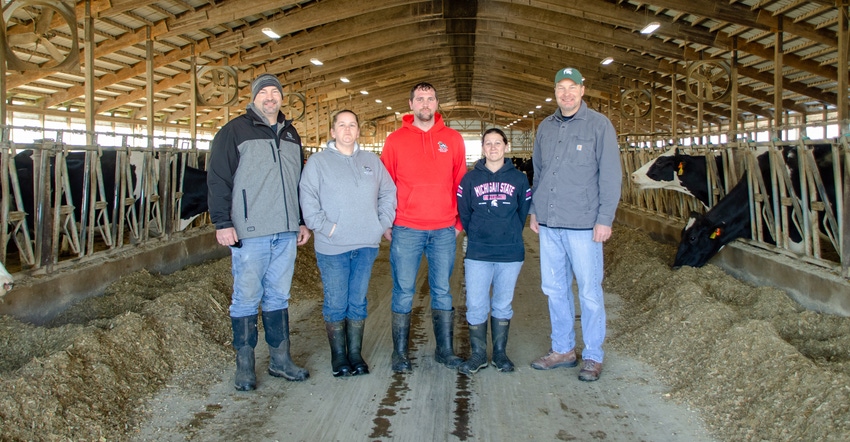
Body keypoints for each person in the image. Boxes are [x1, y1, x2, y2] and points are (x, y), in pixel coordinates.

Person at [207, 73, 311, 391]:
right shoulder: (234, 131)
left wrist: (302, 220)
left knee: (278, 296)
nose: (270, 97)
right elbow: (218, 178)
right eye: (263, 92)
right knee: (246, 298)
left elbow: (300, 183)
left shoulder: (292, 134)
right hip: (251, 231)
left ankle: (280, 362)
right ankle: (245, 367)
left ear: (282, 98)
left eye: (274, 92)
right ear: (254, 98)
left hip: (286, 231)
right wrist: (222, 223)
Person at [528, 67, 622, 382]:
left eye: (572, 87)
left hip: (584, 225)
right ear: (555, 92)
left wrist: (604, 219)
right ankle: (563, 350)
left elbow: (610, 176)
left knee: (589, 291)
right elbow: (538, 174)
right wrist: (534, 211)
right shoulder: (545, 127)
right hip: (550, 223)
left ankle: (593, 355)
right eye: (560, 88)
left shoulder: (599, 126)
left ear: (583, 90)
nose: (566, 93)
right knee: (554, 289)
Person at [299, 110, 397, 377]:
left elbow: (389, 191)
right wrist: (325, 227)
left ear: (357, 131)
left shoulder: (371, 161)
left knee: (357, 302)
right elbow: (308, 198)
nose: (346, 129)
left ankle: (355, 353)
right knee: (336, 302)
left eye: (352, 125)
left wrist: (382, 222)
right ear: (332, 131)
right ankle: (339, 356)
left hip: (365, 244)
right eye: (341, 125)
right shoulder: (318, 163)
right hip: (333, 247)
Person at [380, 82, 467, 373]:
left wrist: (458, 222)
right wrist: (387, 222)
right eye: (420, 99)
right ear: (411, 104)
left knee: (442, 291)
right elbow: (385, 185)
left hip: (444, 229)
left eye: (430, 99)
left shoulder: (453, 139)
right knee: (404, 290)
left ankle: (445, 350)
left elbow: (460, 183)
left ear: (437, 104)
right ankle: (400, 354)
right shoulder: (395, 141)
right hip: (406, 227)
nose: (425, 104)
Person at [456, 128, 531, 376]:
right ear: (483, 148)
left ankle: (499, 353)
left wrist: (507, 232)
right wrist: (478, 232)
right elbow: (464, 212)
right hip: (479, 252)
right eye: (488, 143)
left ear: (506, 147)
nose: (493, 147)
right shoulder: (469, 179)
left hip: (510, 252)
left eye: (498, 143)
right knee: (476, 303)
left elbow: (522, 213)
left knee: (502, 303)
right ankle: (478, 354)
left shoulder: (519, 179)